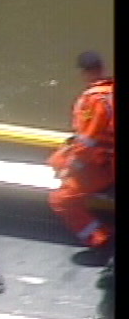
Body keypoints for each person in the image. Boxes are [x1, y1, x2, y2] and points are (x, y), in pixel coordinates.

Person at [48, 51, 115, 266]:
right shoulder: (111, 91)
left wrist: (70, 168)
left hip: (104, 166)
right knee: (56, 161)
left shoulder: (95, 101)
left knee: (61, 200)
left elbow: (88, 143)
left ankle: (100, 240)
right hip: (106, 157)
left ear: (84, 73)